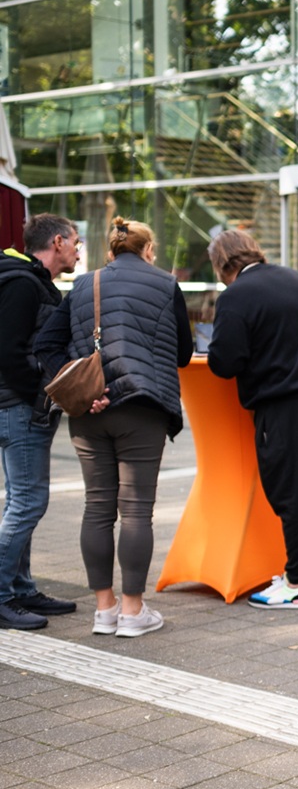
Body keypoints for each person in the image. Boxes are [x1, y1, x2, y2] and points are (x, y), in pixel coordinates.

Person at [34, 217, 192, 638]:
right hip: (143, 407)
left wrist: (83, 387)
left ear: (110, 250)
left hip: (89, 411)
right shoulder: (166, 284)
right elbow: (183, 353)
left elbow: (45, 344)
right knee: (136, 510)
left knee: (98, 507)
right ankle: (133, 612)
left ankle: (104, 611)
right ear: (148, 250)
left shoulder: (84, 285)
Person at [206, 230, 298, 610]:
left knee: (292, 492)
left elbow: (224, 362)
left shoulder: (235, 296)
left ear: (221, 264)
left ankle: (296, 581)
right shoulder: (295, 279)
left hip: (287, 402)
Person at [0, 214, 81, 630]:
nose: (79, 251)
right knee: (28, 502)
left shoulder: (30, 281)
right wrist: (39, 391)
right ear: (58, 242)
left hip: (20, 405)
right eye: (75, 242)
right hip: (20, 407)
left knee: (21, 500)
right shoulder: (23, 284)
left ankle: (21, 588)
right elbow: (9, 351)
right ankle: (2, 595)